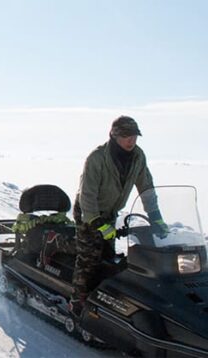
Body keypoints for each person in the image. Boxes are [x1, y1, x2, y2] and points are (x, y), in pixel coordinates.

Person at [69, 116, 168, 316]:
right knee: (90, 258)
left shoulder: (138, 157)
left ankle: (103, 300)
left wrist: (156, 217)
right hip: (89, 210)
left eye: (134, 136)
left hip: (111, 211)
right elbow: (88, 193)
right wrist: (96, 221)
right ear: (114, 136)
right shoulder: (97, 158)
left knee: (107, 255)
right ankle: (77, 301)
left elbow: (146, 187)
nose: (131, 140)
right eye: (126, 136)